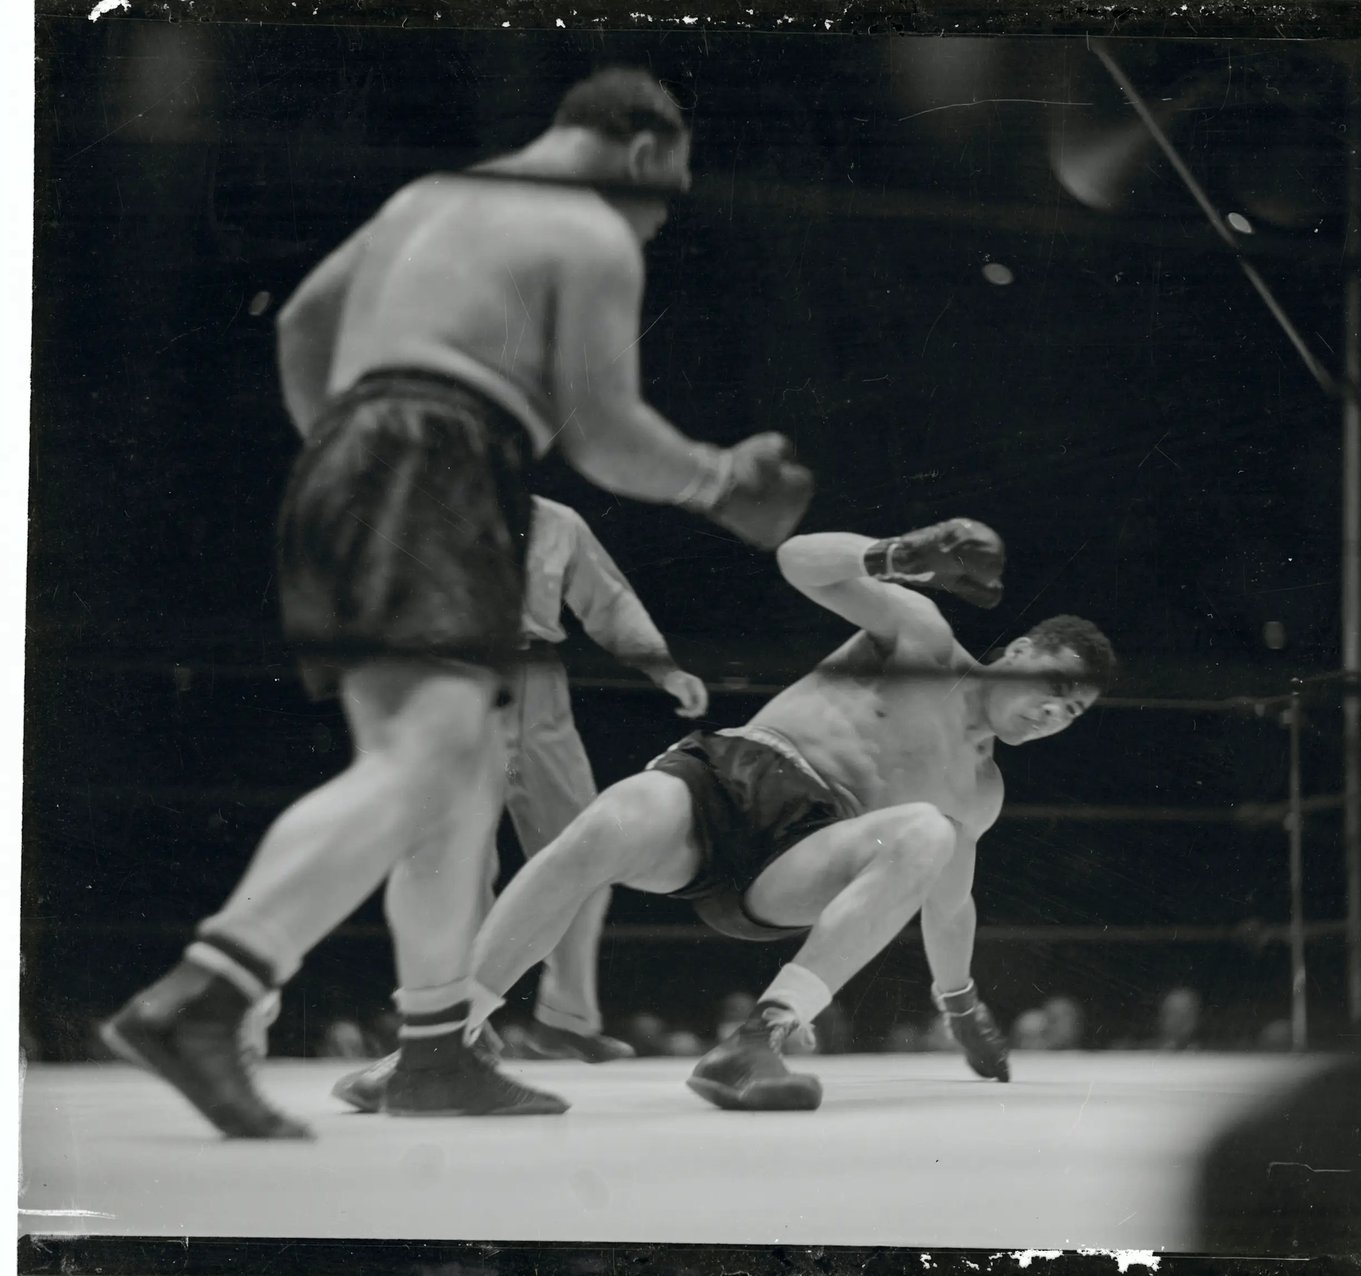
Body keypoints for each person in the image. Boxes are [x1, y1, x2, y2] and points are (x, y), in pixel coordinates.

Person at [99, 68, 812, 1139]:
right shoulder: (588, 228)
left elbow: (302, 324)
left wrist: (351, 442)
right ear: (646, 152)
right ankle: (209, 989)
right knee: (425, 762)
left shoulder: (425, 201)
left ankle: (436, 1050)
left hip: (360, 460)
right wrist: (722, 482)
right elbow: (607, 431)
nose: (659, 219)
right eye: (669, 194)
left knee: (460, 777)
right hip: (437, 461)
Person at [449, 517, 1116, 1111]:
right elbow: (799, 560)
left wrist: (961, 1003)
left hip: (799, 859)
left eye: (1074, 712)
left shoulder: (980, 789)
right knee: (603, 825)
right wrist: (892, 554)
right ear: (1021, 651)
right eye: (1053, 688)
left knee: (926, 833)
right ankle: (444, 1043)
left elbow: (949, 902)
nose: (1054, 714)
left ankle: (757, 1041)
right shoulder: (923, 639)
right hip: (726, 781)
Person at [328, 496, 709, 1111]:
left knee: (590, 846)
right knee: (454, 865)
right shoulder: (419, 508)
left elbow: (607, 599)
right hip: (453, 679)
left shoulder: (558, 520)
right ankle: (453, 1031)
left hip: (539, 687)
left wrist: (662, 667)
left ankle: (567, 1017)